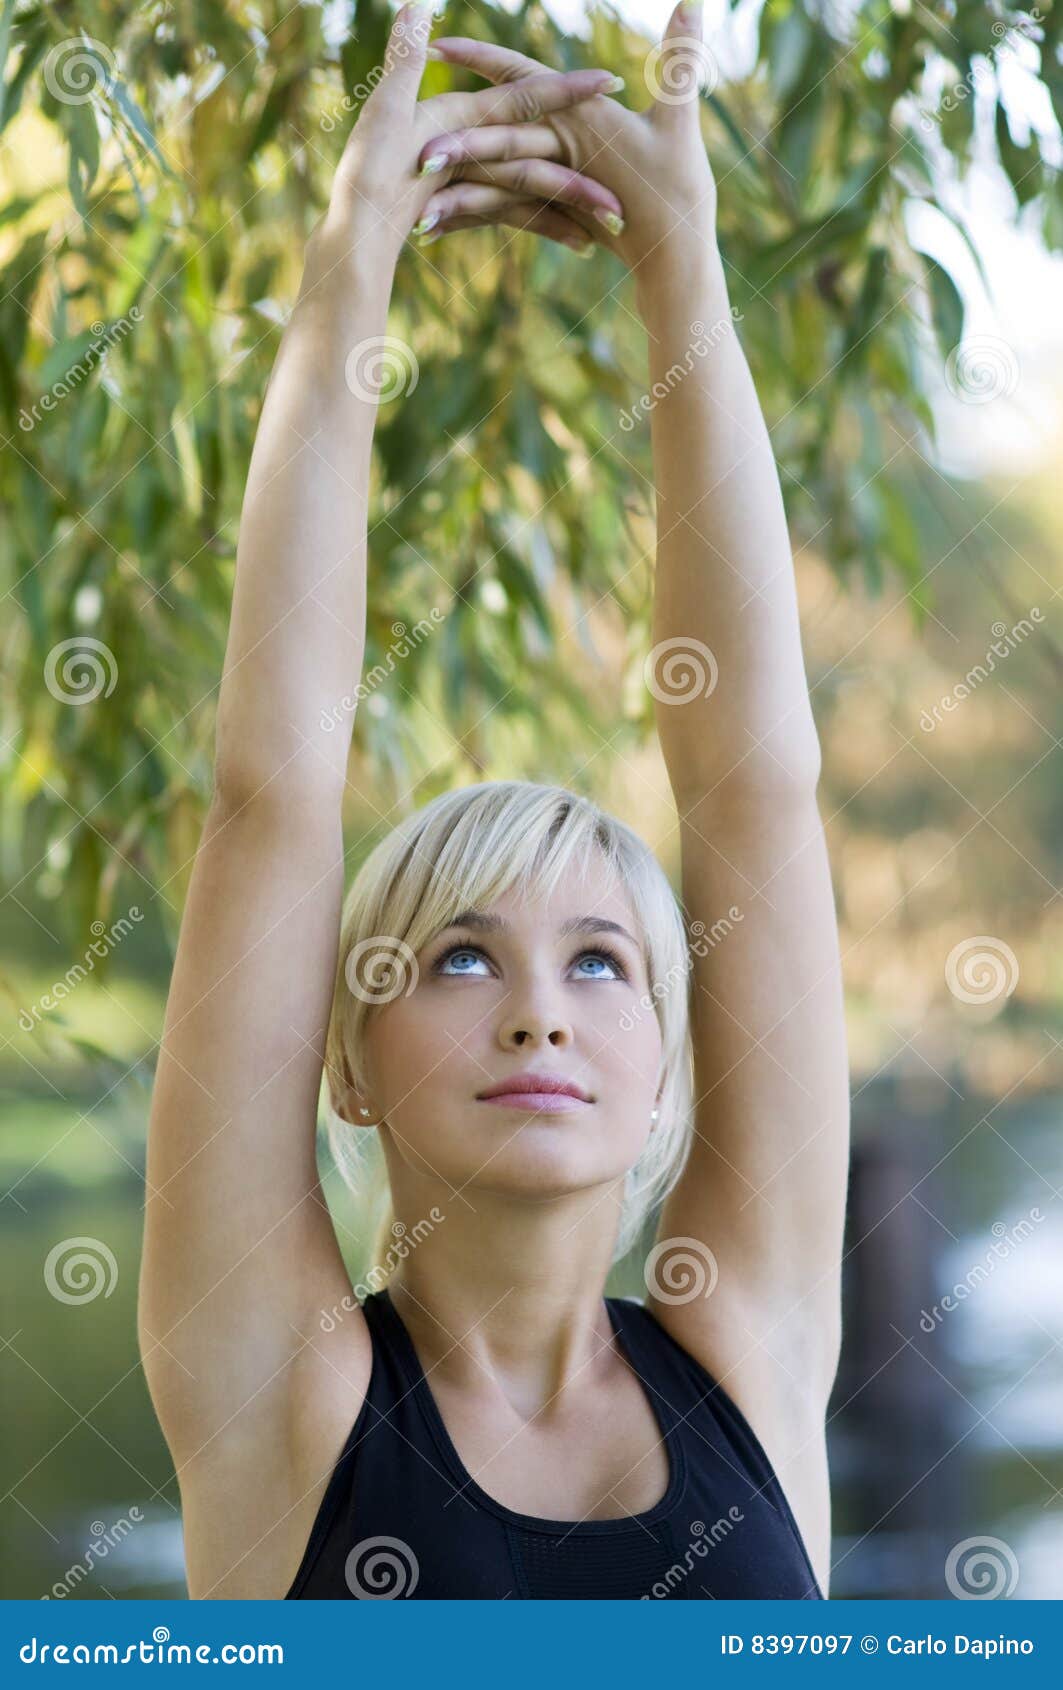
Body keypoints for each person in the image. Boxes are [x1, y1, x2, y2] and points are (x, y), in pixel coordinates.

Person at [138, 1, 849, 1601]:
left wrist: (681, 258)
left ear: (670, 1065)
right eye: (460, 958)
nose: (541, 1013)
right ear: (348, 1066)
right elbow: (271, 794)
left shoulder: (753, 1346)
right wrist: (350, 264)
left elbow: (757, 792)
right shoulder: (287, 1396)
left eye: (602, 961)